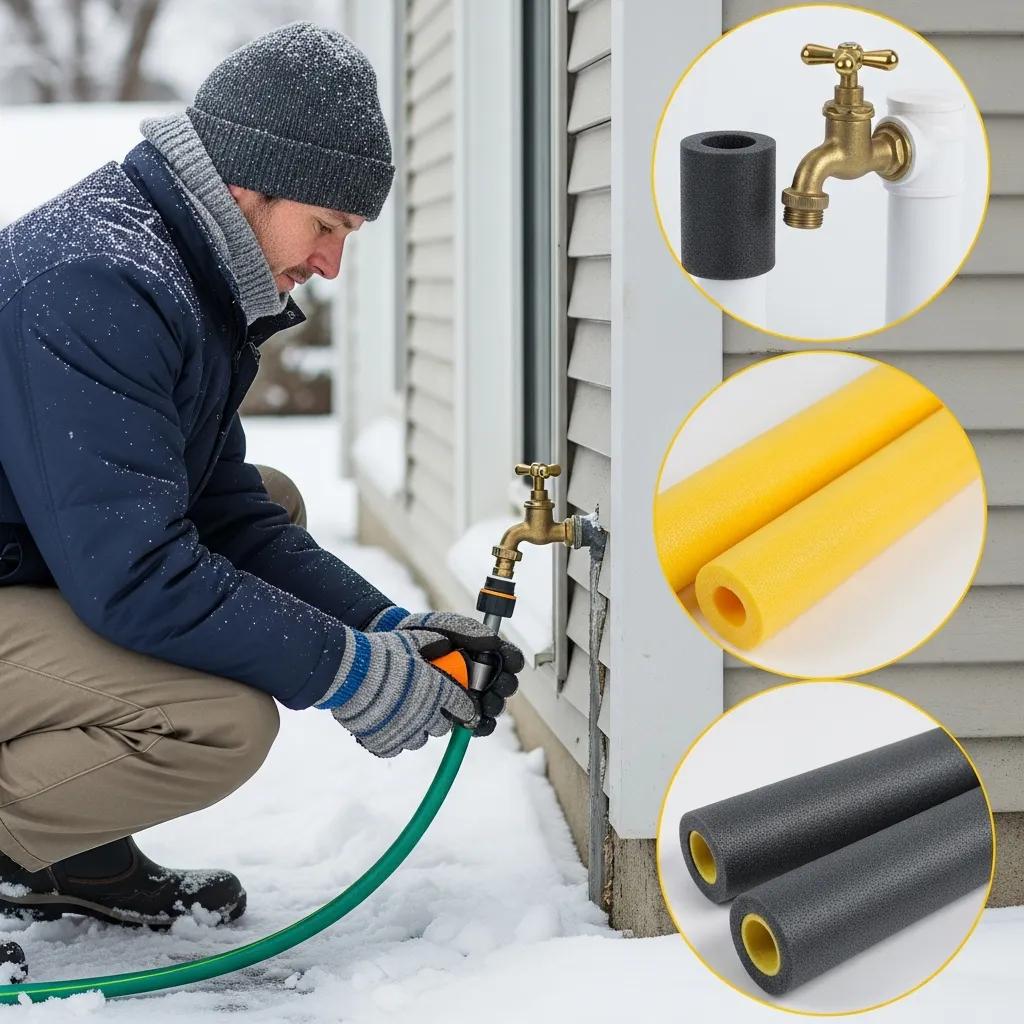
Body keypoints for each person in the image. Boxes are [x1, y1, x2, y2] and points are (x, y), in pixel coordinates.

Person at [0, 22, 521, 934]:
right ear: (248, 183)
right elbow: (136, 576)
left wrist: (392, 628)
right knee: (217, 722)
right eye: (326, 226)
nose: (330, 263)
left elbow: (230, 512)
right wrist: (352, 671)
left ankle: (62, 852)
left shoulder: (176, 268)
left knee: (271, 494)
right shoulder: (99, 282)